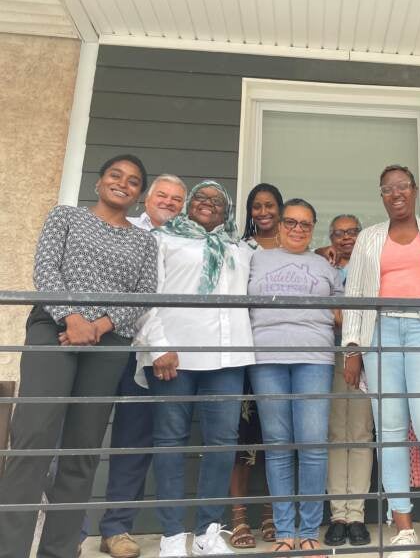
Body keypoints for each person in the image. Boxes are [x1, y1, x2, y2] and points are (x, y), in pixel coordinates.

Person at [0, 154, 158, 558]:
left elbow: (143, 296)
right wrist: (72, 318)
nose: (123, 183)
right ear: (99, 182)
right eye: (115, 175)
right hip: (54, 330)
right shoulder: (65, 217)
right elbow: (46, 269)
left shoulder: (144, 241)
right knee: (33, 439)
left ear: (140, 194)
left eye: (134, 181)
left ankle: (58, 550)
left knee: (82, 449)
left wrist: (98, 327)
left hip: (107, 343)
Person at [342, 164, 420, 558]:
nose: (396, 194)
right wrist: (352, 349)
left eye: (403, 187)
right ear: (381, 195)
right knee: (391, 427)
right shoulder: (368, 238)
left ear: (414, 190)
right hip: (380, 331)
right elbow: (357, 295)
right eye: (387, 189)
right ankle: (403, 527)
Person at [134, 180, 253, 557]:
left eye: (217, 201)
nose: (207, 203)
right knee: (170, 442)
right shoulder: (163, 239)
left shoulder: (240, 247)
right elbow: (147, 293)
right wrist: (159, 346)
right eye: (200, 197)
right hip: (175, 357)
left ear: (227, 210)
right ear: (188, 205)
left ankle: (208, 531)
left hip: (228, 357)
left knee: (221, 444)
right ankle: (172, 534)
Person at [248, 198, 343, 557]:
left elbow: (341, 311)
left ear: (313, 228)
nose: (297, 229)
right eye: (291, 222)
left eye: (305, 224)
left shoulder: (323, 264)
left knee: (313, 445)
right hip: (266, 356)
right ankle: (285, 530)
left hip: (314, 357)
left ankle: (309, 531)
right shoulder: (256, 258)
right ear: (281, 224)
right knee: (278, 445)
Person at [99, 173, 188, 558]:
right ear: (146, 198)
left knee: (133, 442)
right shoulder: (126, 229)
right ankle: (61, 523)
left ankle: (116, 529)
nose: (169, 202)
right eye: (162, 195)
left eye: (177, 199)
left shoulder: (187, 241)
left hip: (149, 356)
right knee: (77, 432)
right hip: (107, 343)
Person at [229, 182, 284, 549]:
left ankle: (270, 513)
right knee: (241, 439)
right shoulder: (239, 249)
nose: (263, 212)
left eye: (270, 206)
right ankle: (238, 518)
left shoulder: (295, 248)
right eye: (256, 207)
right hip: (243, 352)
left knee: (275, 437)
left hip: (281, 353)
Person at [323, 214, 374, 547]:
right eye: (339, 233)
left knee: (359, 432)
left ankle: (356, 514)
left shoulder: (371, 266)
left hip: (364, 353)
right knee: (334, 433)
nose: (346, 238)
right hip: (327, 354)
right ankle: (337, 514)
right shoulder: (322, 265)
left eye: (352, 232)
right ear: (330, 238)